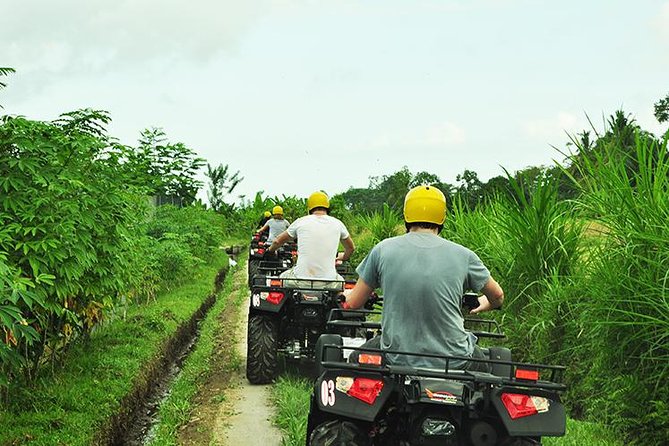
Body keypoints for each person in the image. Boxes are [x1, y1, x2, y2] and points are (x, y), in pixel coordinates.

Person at [343, 185, 504, 372]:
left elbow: (353, 303)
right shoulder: (465, 255)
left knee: (355, 359)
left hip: (396, 357)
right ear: (442, 217)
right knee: (486, 379)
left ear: (406, 215)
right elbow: (498, 296)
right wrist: (483, 303)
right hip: (455, 359)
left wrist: (344, 294)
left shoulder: (382, 250)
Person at [268, 191, 355, 288]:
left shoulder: (301, 221)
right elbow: (351, 248)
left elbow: (277, 241)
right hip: (329, 283)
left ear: (310, 208)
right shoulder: (338, 224)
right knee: (342, 283)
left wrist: (270, 250)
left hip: (300, 281)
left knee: (282, 277)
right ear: (327, 207)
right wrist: (343, 257)